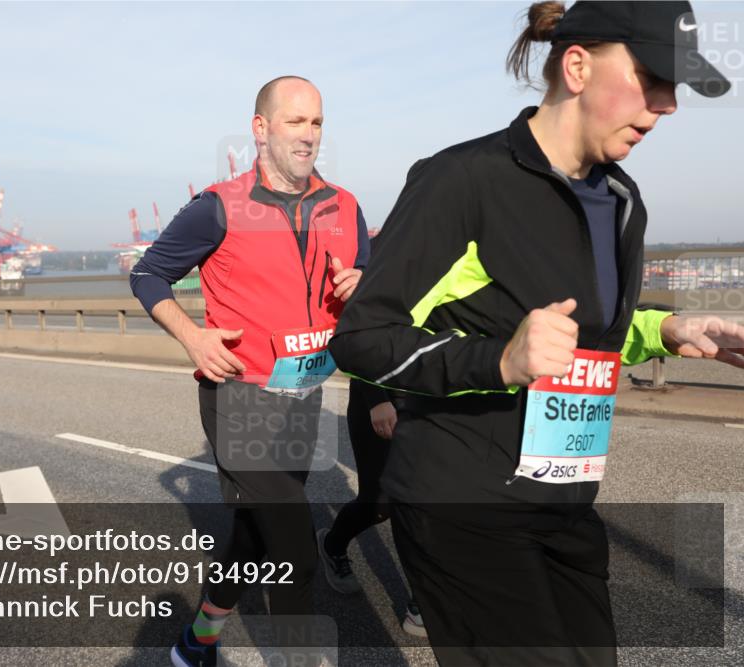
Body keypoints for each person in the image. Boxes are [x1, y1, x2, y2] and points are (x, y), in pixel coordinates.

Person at [328, 2, 743, 665]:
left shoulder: (623, 201)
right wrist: (499, 361)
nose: (667, 105)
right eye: (652, 78)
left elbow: (583, 338)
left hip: (565, 501)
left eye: (675, 87)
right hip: (462, 501)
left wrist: (666, 328)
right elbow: (361, 337)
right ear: (576, 67)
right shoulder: (463, 179)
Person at [129, 76, 370, 667]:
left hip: (304, 397)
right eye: (295, 121)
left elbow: (373, 285)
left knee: (255, 537)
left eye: (317, 122)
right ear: (260, 129)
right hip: (239, 398)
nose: (308, 135)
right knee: (296, 553)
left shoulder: (346, 206)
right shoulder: (219, 205)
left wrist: (364, 284)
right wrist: (193, 337)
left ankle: (197, 641)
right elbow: (146, 274)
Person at [316, 377, 428, 638]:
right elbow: (362, 351)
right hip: (382, 402)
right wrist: (377, 399)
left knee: (425, 506)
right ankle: (332, 545)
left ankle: (422, 602)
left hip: (432, 404)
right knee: (379, 504)